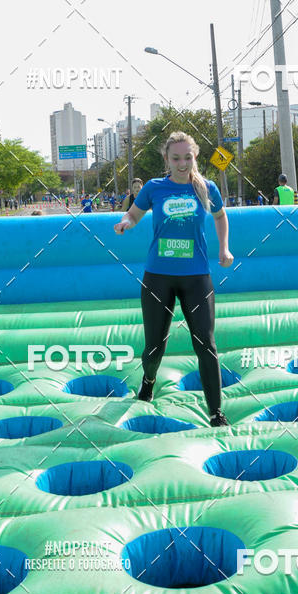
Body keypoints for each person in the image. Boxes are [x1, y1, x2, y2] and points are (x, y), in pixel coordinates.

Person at [114, 130, 234, 428]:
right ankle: (149, 379)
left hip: (196, 278)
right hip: (158, 277)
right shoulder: (154, 188)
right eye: (176, 158)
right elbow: (134, 214)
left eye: (187, 158)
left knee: (206, 344)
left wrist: (224, 248)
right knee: (154, 347)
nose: (182, 164)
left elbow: (220, 216)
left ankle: (216, 412)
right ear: (166, 159)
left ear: (195, 157)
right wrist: (125, 222)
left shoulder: (206, 188)